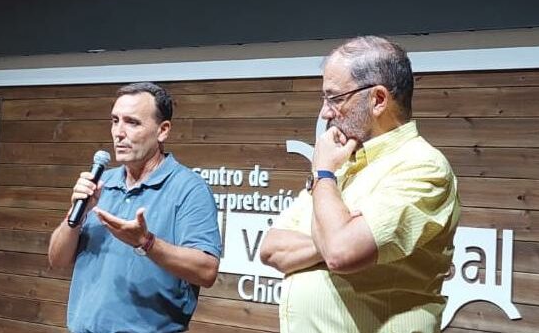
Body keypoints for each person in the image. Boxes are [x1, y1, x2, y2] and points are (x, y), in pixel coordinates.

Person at [260, 36, 460, 333]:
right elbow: (272, 249)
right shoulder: (345, 164)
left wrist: (324, 174)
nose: (326, 112)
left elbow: (340, 253)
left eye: (335, 98)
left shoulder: (422, 165)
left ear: (378, 99)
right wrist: (330, 237)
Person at [47, 82, 221, 333]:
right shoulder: (101, 185)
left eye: (132, 122)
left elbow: (206, 271)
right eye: (115, 121)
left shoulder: (189, 189)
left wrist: (146, 242)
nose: (119, 132)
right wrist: (77, 214)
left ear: (162, 130)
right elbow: (57, 259)